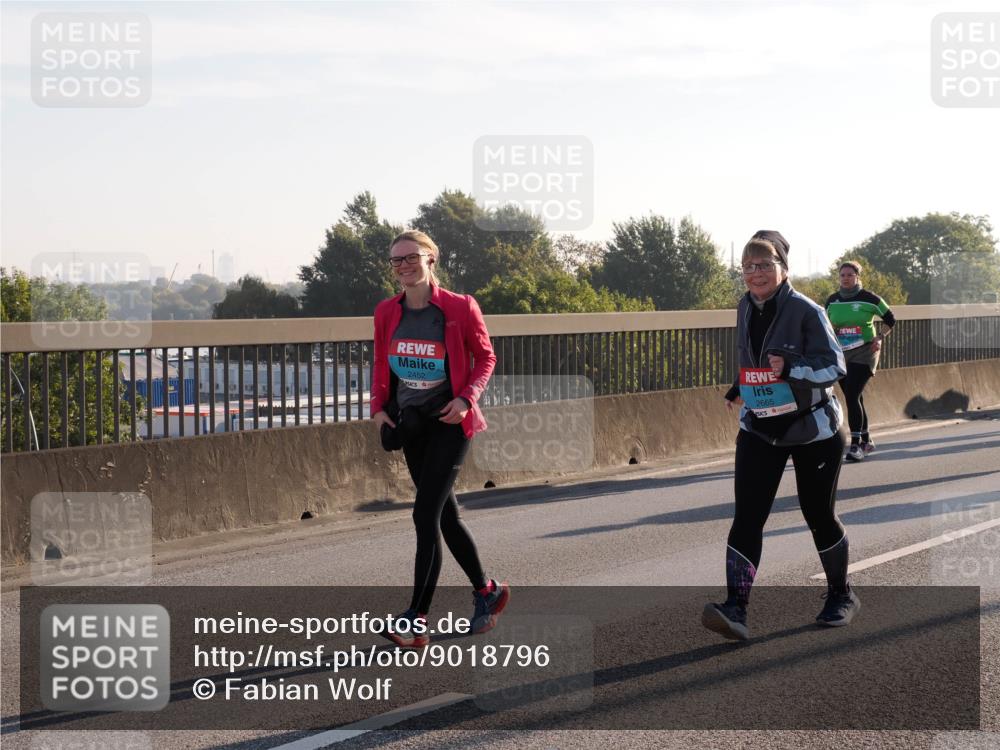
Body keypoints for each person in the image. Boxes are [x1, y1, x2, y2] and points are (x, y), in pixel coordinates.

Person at [704, 230, 857, 641]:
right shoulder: (744, 306)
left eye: (764, 265)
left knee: (818, 514)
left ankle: (841, 594)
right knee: (748, 517)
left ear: (783, 270)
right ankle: (735, 607)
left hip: (814, 430)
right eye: (748, 267)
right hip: (760, 427)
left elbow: (834, 368)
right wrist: (741, 386)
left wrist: (790, 368)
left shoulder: (808, 311)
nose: (756, 274)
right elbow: (754, 359)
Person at [371, 229, 509, 648]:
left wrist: (467, 399)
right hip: (410, 425)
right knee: (444, 516)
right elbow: (381, 361)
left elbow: (486, 357)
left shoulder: (459, 307)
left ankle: (416, 618)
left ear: (432, 259)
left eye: (411, 257)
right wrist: (378, 409)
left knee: (424, 515)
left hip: (450, 422)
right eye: (396, 261)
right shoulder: (386, 311)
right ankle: (487, 592)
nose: (403, 266)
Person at [825, 261, 896, 462]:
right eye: (842, 275)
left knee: (852, 394)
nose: (846, 278)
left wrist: (879, 337)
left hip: (865, 352)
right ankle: (866, 440)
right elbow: (826, 326)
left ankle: (856, 446)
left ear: (857, 276)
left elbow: (891, 319)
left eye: (850, 274)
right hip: (841, 354)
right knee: (853, 396)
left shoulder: (869, 298)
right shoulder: (832, 301)